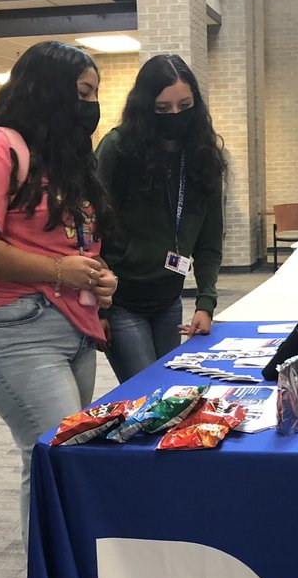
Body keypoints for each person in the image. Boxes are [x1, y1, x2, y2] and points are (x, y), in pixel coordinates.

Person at [0, 41, 117, 542]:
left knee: (64, 455)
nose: (91, 104)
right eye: (83, 92)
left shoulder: (60, 158)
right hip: (14, 327)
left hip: (72, 327)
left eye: (95, 93)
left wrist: (98, 274)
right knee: (53, 455)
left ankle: (65, 574)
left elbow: (70, 244)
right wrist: (62, 271)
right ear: (49, 90)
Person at [95, 53, 226, 382]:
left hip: (169, 297)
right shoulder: (118, 148)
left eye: (185, 106)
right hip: (122, 300)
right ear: (145, 107)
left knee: (170, 388)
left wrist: (205, 302)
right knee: (146, 393)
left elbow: (210, 240)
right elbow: (89, 227)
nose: (175, 116)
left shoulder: (203, 155)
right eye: (163, 109)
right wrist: (96, 308)